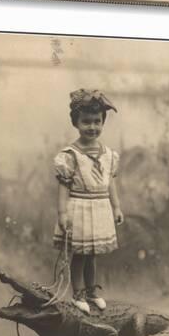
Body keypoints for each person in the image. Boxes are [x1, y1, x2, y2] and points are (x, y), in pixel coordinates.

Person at [53, 89, 124, 313]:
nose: (92, 127)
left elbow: (109, 182)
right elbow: (64, 186)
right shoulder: (70, 155)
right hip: (80, 208)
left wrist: (117, 206)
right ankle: (78, 293)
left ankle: (92, 290)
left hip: (100, 207)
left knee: (92, 254)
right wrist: (62, 214)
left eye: (97, 121)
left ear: (103, 122)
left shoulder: (108, 154)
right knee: (80, 255)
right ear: (76, 123)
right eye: (86, 122)